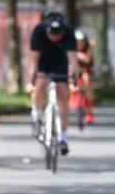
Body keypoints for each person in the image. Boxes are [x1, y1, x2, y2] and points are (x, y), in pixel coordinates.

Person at [28, 11, 79, 155]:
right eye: (52, 34)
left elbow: (73, 60)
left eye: (58, 34)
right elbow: (34, 60)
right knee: (41, 84)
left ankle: (63, 137)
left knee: (62, 94)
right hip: (43, 61)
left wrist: (73, 78)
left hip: (59, 62)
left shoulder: (68, 32)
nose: (55, 37)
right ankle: (37, 117)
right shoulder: (38, 31)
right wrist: (32, 79)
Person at [73, 29, 95, 124]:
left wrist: (89, 49)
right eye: (77, 42)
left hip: (86, 69)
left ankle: (89, 111)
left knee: (87, 80)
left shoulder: (88, 47)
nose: (79, 44)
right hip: (75, 69)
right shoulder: (71, 47)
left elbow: (87, 60)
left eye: (81, 42)